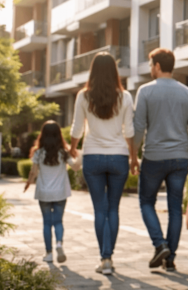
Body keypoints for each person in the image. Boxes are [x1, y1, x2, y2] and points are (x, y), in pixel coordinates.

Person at [132, 48, 188, 273]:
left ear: (158, 66)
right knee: (175, 209)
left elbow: (138, 128)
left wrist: (133, 156)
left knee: (145, 202)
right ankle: (170, 258)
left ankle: (159, 244)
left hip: (153, 158)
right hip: (180, 159)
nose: (150, 68)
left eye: (151, 64)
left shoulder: (145, 91)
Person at [69, 52, 137, 276]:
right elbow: (130, 130)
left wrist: (72, 147)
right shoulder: (125, 96)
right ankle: (110, 255)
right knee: (113, 209)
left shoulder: (84, 96)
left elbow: (77, 128)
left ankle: (104, 259)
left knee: (100, 209)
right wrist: (133, 156)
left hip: (93, 157)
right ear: (114, 71)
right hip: (118, 157)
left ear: (93, 71)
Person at [24, 120, 80, 264]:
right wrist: (79, 155)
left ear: (42, 135)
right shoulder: (63, 153)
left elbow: (34, 172)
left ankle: (48, 254)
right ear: (59, 135)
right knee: (58, 221)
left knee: (47, 223)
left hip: (44, 193)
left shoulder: (38, 153)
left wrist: (28, 183)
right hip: (60, 193)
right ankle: (59, 245)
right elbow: (75, 167)